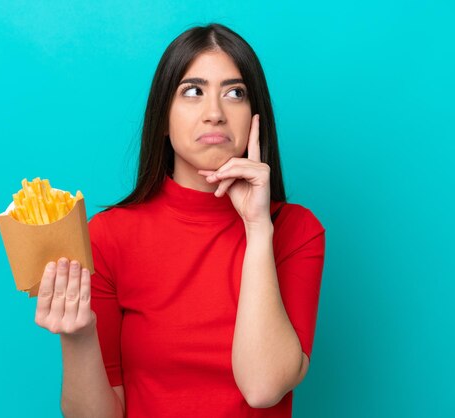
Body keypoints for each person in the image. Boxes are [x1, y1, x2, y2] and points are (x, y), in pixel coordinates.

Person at [34, 23, 326, 418]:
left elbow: (262, 388)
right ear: (163, 118)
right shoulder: (107, 236)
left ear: (255, 115)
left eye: (234, 93)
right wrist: (79, 337)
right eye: (193, 91)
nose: (215, 113)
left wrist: (258, 230)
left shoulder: (295, 230)